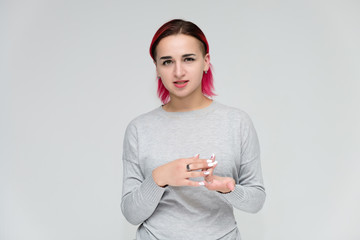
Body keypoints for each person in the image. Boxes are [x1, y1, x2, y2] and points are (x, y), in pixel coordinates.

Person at [121, 19, 265, 240]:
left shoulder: (237, 122)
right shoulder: (139, 129)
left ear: (206, 62)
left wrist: (226, 188)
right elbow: (131, 213)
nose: (178, 71)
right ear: (157, 68)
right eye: (167, 62)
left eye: (188, 59)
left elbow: (256, 200)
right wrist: (160, 177)